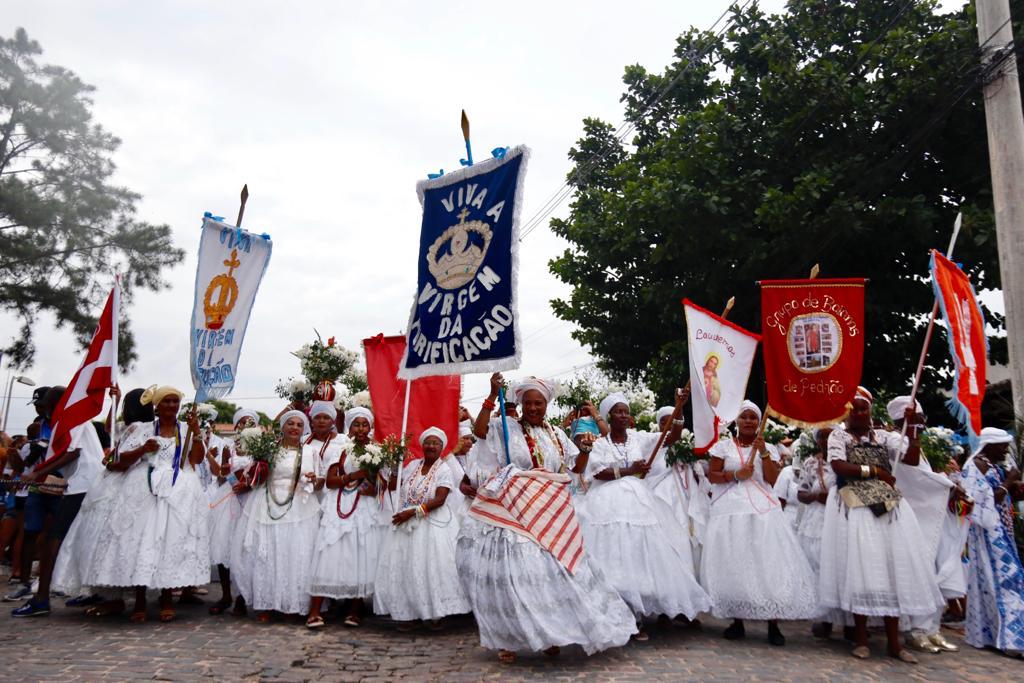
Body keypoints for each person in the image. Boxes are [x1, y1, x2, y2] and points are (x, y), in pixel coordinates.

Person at [456, 374, 637, 663]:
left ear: (546, 404)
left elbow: (575, 467)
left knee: (549, 576)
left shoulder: (556, 434)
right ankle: (509, 640)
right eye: (527, 403)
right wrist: (492, 395)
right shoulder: (507, 428)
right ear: (520, 404)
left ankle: (549, 633)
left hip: (552, 511)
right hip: (515, 510)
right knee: (513, 576)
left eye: (538, 403)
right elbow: (478, 432)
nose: (533, 408)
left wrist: (587, 450)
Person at [819, 387, 946, 663]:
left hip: (889, 506)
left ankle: (894, 643)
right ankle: (861, 639)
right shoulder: (838, 436)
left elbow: (910, 458)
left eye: (864, 408)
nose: (860, 413)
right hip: (856, 506)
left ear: (871, 410)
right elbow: (840, 466)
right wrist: (876, 471)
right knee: (863, 568)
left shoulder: (885, 436)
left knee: (893, 568)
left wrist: (912, 426)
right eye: (854, 408)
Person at [579, 391, 710, 639]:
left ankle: (636, 617)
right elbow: (598, 473)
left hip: (639, 505)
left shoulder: (640, 439)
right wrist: (629, 470)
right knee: (613, 560)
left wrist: (680, 407)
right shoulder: (600, 444)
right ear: (609, 416)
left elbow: (673, 436)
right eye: (618, 411)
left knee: (635, 558)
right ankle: (614, 616)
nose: (623, 415)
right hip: (607, 506)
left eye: (626, 411)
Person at [702, 401, 819, 646]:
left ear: (758, 422)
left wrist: (764, 452)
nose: (748, 421)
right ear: (736, 421)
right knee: (735, 561)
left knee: (767, 560)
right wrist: (735, 475)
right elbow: (712, 475)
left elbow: (773, 479)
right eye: (744, 417)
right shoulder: (723, 447)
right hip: (731, 510)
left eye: (753, 418)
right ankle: (737, 620)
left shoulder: (768, 448)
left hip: (763, 509)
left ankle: (773, 623)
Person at [51, 388, 155, 620]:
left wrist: (112, 461)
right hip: (110, 483)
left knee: (116, 538)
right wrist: (114, 401)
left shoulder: (146, 429)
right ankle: (109, 594)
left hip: (129, 485)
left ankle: (118, 596)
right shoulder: (125, 428)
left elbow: (123, 460)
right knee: (99, 537)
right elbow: (109, 429)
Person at [13, 385, 106, 618]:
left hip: (83, 485)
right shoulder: (75, 419)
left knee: (54, 538)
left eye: (46, 407)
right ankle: (91, 590)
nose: (45, 412)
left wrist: (37, 473)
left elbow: (73, 453)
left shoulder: (72, 419)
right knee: (84, 538)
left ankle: (42, 597)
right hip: (86, 484)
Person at [887, 396, 965, 654]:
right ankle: (913, 630)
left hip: (930, 517)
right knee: (914, 572)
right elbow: (910, 473)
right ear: (904, 419)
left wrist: (950, 486)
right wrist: (947, 485)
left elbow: (925, 476)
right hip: (909, 515)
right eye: (918, 418)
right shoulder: (895, 441)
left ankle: (932, 628)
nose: (923, 422)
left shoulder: (916, 443)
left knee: (935, 570)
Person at [374, 427, 469, 630]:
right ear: (422, 445)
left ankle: (436, 612)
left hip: (432, 522)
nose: (431, 446)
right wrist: (393, 464)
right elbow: (393, 486)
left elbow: (440, 499)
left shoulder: (443, 469)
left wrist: (414, 512)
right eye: (428, 442)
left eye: (435, 443)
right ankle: (409, 613)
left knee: (431, 567)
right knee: (406, 567)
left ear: (441, 447)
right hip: (406, 523)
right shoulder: (411, 466)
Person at [231, 410, 321, 622]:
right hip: (267, 503)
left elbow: (320, 484)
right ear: (282, 427)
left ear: (304, 429)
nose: (295, 428)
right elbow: (253, 475)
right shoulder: (269, 449)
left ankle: (292, 603)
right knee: (269, 552)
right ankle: (266, 603)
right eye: (290, 423)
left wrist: (314, 479)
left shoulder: (311, 452)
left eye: (299, 425)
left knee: (295, 553)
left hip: (301, 505)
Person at [131, 386, 210, 622]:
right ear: (156, 406)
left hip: (179, 494)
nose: (171, 406)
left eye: (175, 402)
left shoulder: (185, 429)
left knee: (170, 543)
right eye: (166, 402)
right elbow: (125, 456)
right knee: (144, 543)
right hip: (148, 492)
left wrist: (196, 431)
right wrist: (144, 449)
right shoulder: (144, 430)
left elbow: (196, 459)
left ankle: (167, 599)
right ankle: (140, 599)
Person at [306, 406, 380, 629]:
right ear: (349, 426)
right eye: (356, 424)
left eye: (364, 424)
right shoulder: (340, 449)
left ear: (369, 427)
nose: (360, 428)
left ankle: (355, 610)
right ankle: (315, 609)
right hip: (338, 505)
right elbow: (330, 481)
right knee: (330, 551)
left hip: (364, 507)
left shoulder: (377, 450)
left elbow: (380, 483)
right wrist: (354, 475)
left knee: (360, 552)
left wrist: (372, 487)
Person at [960, 427, 1024, 657]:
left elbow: (1003, 496)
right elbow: (981, 502)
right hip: (988, 535)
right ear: (990, 445)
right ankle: (1012, 642)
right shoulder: (975, 466)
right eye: (1003, 446)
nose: (1006, 450)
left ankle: (1000, 635)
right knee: (1006, 580)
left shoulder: (993, 466)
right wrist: (1009, 481)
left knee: (1005, 582)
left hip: (1001, 531)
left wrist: (1014, 489)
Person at [644, 403, 710, 580]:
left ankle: (697, 574)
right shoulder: (653, 446)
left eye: (672, 421)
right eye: (664, 421)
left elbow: (700, 469)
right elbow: (652, 471)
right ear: (658, 425)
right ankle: (675, 578)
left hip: (689, 491)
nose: (668, 425)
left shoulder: (686, 445)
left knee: (694, 529)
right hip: (664, 494)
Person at [206, 408, 259, 617]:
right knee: (224, 545)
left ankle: (242, 596)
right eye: (242, 422)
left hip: (252, 499)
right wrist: (234, 481)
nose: (246, 426)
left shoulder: (262, 448)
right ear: (236, 426)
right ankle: (226, 594)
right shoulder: (230, 448)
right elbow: (222, 474)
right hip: (229, 498)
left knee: (246, 549)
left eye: (250, 423)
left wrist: (248, 485)